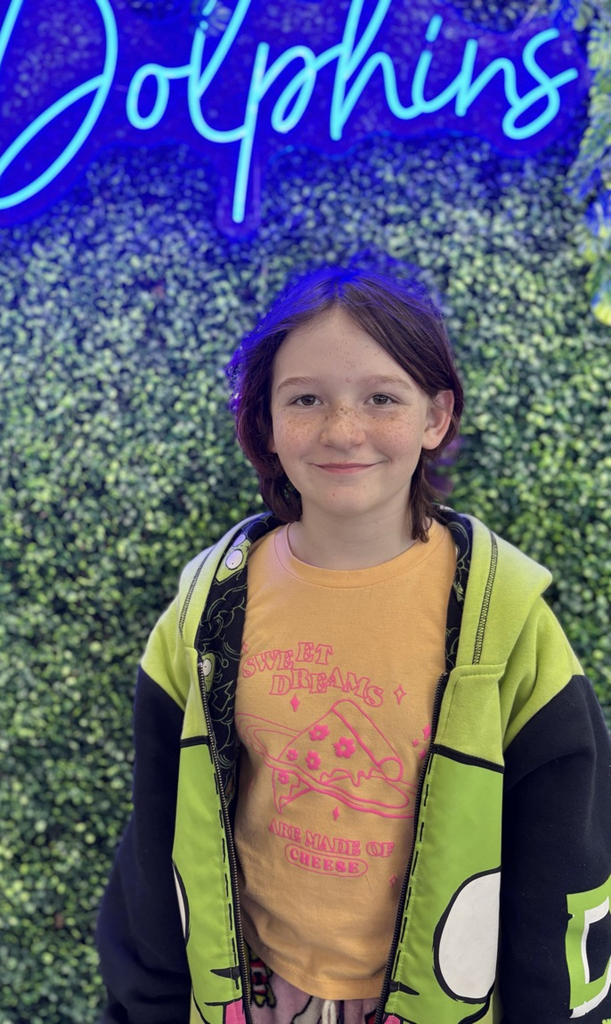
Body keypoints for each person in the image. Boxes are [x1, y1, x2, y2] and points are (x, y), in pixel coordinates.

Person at [96, 265, 611, 1024]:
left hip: (438, 1003)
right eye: (305, 399)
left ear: (435, 416)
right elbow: (159, 833)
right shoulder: (205, 613)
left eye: (381, 398)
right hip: (256, 996)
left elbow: (565, 859)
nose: (343, 430)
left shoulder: (507, 624)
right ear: (265, 420)